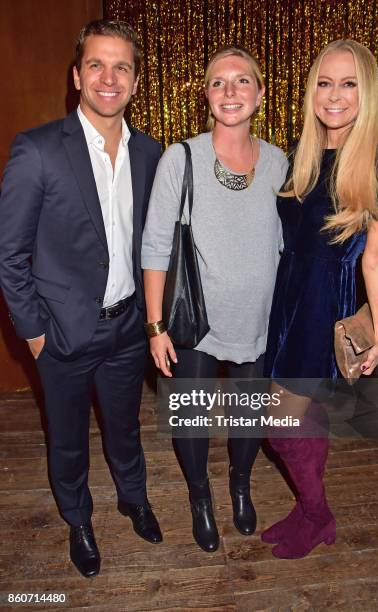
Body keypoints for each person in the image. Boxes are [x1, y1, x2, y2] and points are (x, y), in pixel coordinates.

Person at [0, 20, 163, 578]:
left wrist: (150, 317)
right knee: (67, 440)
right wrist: (34, 331)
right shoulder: (38, 149)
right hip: (62, 334)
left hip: (127, 329)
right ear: (77, 76)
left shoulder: (151, 154)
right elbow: (10, 253)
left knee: (126, 428)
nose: (109, 77)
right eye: (96, 64)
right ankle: (78, 519)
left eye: (122, 66)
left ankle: (133, 498)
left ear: (136, 80)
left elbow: (154, 245)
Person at [261, 39, 378, 559]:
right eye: (324, 82)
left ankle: (319, 515)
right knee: (302, 414)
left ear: (366, 93)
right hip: (286, 296)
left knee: (278, 424)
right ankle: (305, 507)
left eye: (348, 84)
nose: (335, 95)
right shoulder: (302, 154)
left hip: (324, 304)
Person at [142, 46, 288, 552]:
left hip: (259, 320)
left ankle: (240, 485)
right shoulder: (180, 158)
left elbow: (288, 246)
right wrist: (156, 327)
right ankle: (200, 495)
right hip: (195, 323)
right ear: (207, 95)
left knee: (250, 416)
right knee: (191, 419)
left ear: (260, 94)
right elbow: (156, 245)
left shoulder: (278, 163)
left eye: (242, 80)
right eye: (219, 82)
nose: (231, 91)